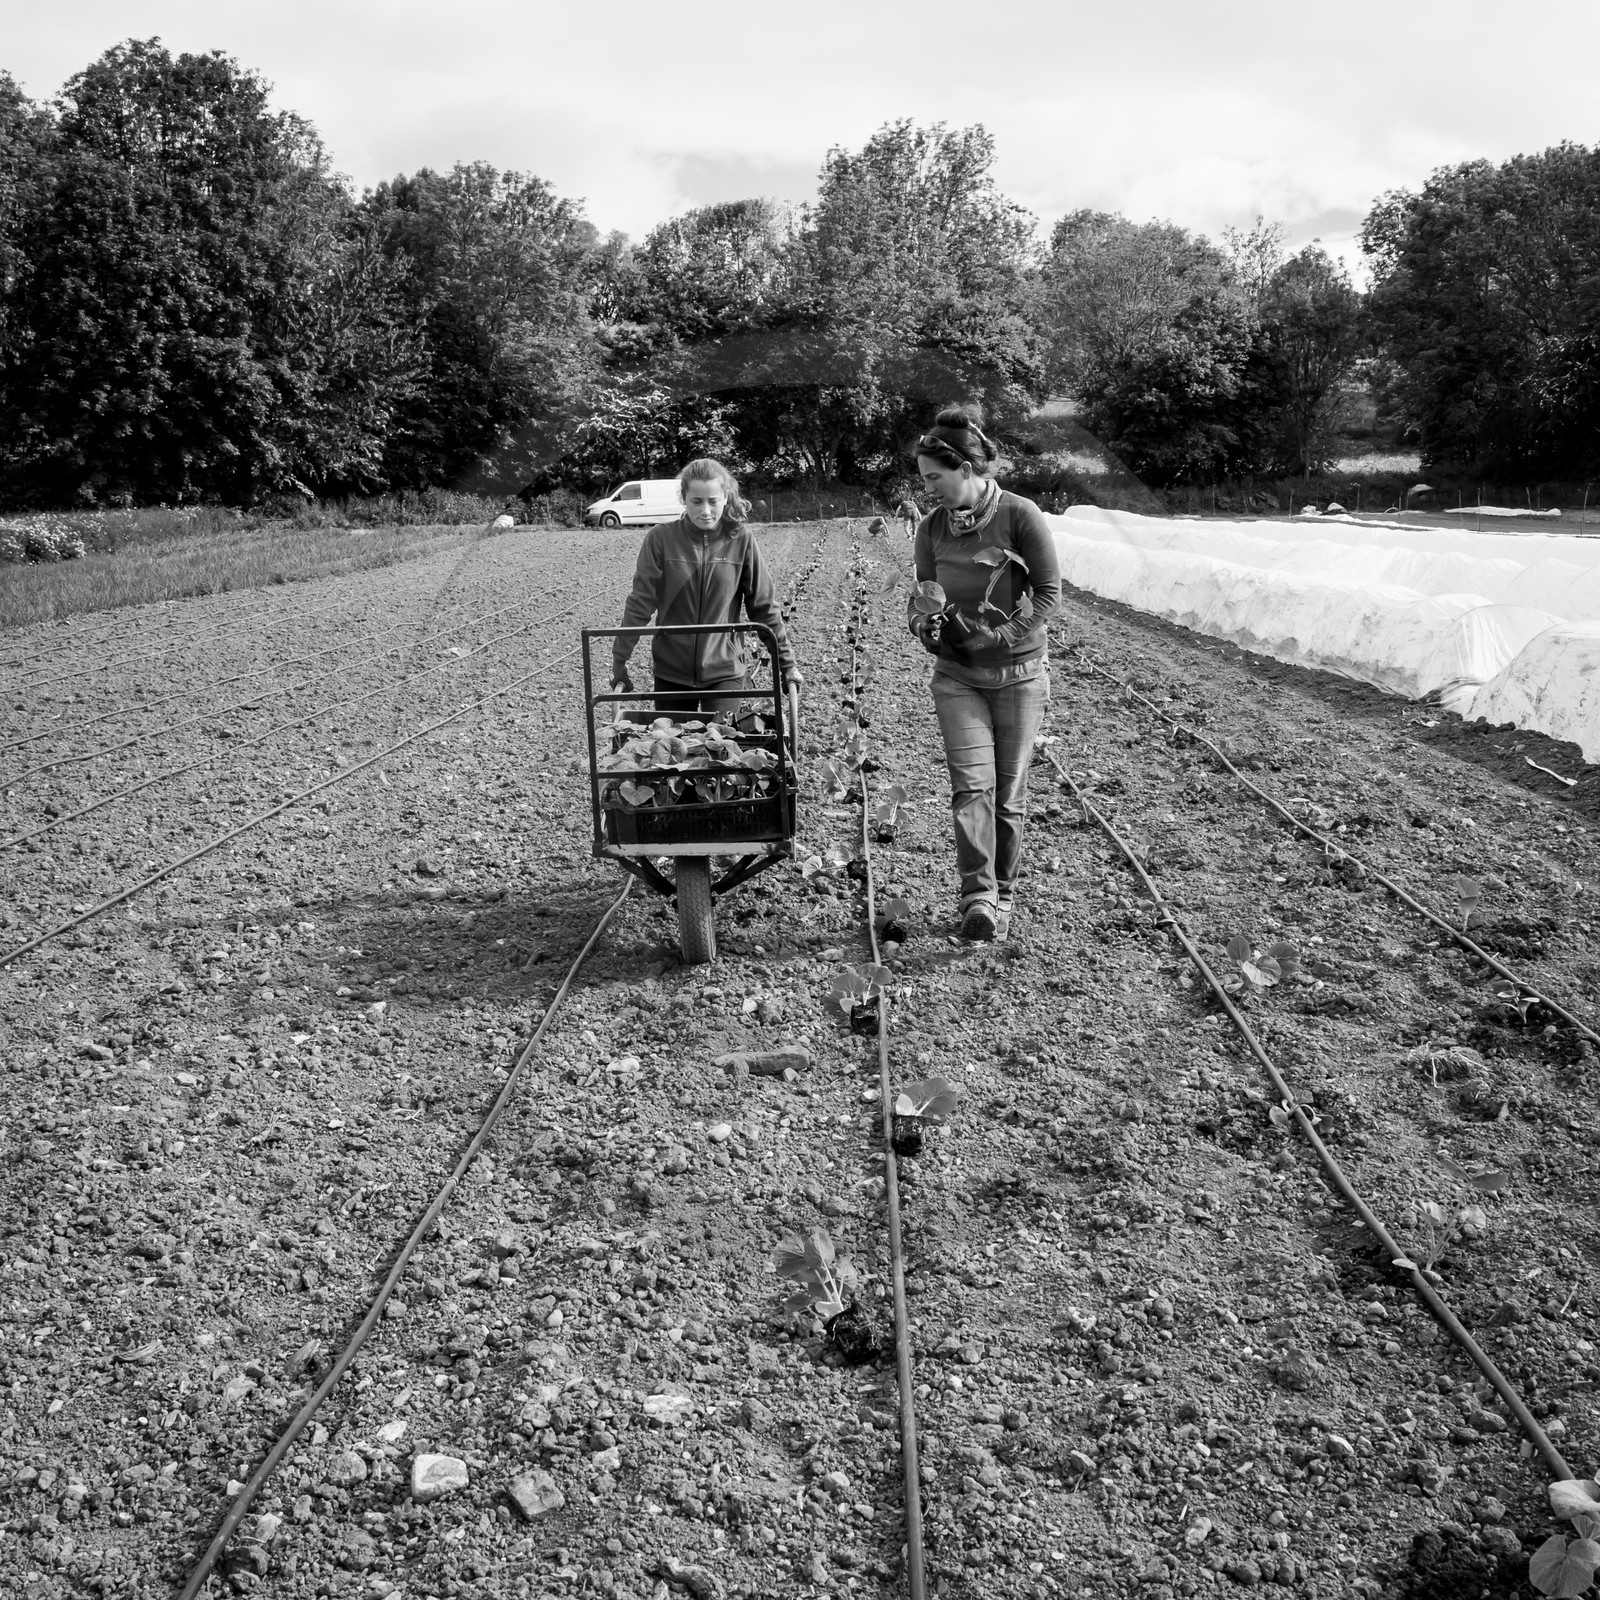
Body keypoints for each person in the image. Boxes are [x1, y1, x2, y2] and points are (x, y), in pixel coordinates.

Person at [907, 408, 1061, 942]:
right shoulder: (931, 529)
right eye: (925, 480)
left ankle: (1004, 890)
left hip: (1020, 675)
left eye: (934, 477)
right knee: (972, 787)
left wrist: (999, 637)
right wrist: (925, 628)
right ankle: (980, 898)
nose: (929, 490)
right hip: (958, 678)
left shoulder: (1020, 516)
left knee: (1009, 793)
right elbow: (922, 598)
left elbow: (1047, 594)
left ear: (965, 467)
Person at [611, 458, 802, 719]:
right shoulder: (661, 539)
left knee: (720, 748)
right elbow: (640, 603)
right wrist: (619, 660)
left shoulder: (741, 540)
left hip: (724, 669)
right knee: (672, 750)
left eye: (713, 501)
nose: (706, 511)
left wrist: (787, 665)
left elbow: (764, 607)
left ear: (725, 498)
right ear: (684, 498)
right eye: (696, 501)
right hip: (671, 670)